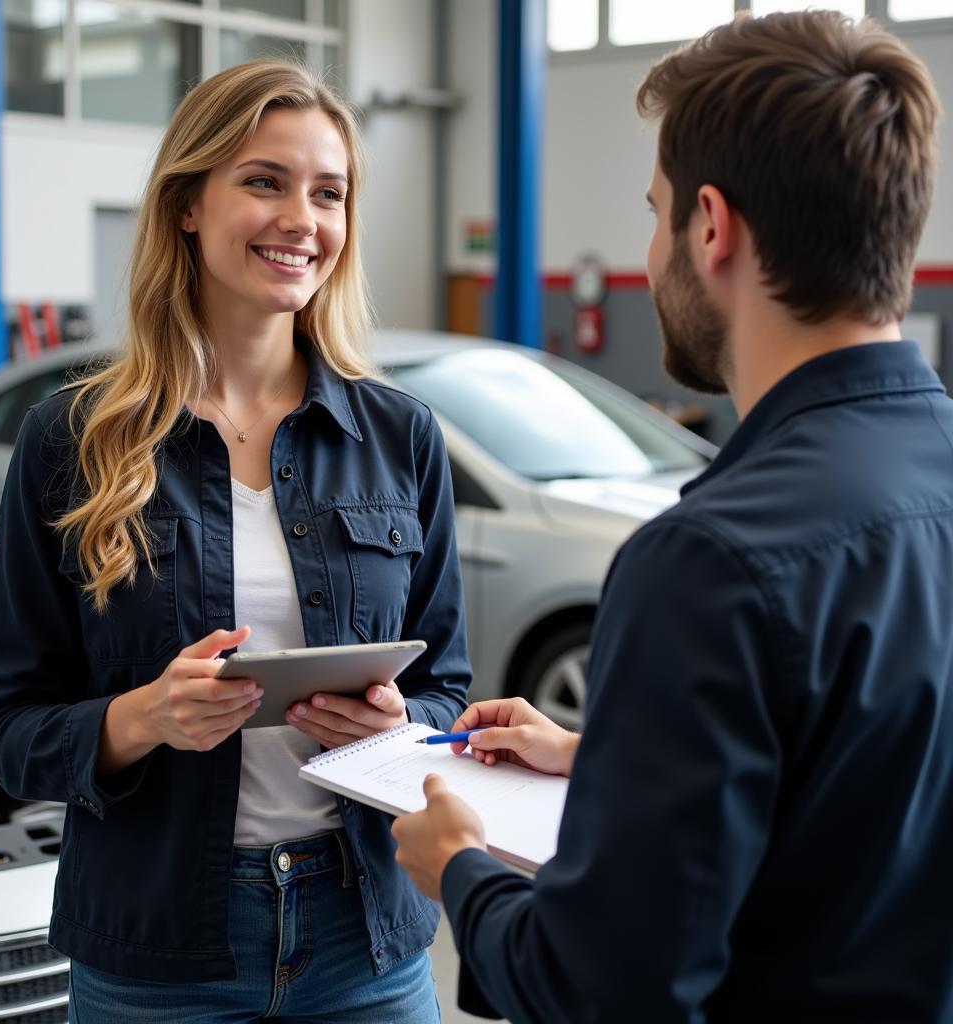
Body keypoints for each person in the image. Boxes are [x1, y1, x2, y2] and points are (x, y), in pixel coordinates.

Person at [392, 11, 953, 1023]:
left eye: (652, 213)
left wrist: (462, 873)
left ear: (710, 224)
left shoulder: (709, 559)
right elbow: (870, 785)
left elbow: (607, 988)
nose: (650, 255)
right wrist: (611, 754)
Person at [0, 59, 470, 1023]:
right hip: (157, 950)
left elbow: (447, 685)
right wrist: (141, 719)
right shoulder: (70, 439)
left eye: (327, 193)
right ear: (187, 207)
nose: (303, 219)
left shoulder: (400, 437)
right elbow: (12, 731)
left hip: (362, 938)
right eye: (263, 181)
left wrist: (400, 726)